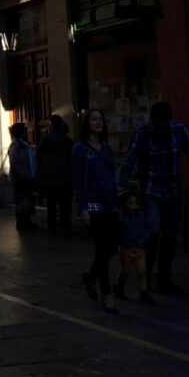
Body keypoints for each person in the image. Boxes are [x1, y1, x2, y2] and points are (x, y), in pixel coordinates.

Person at [118, 101, 189, 294]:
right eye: (157, 123)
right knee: (152, 231)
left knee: (170, 235)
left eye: (163, 123)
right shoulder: (143, 133)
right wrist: (120, 185)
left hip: (172, 190)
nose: (160, 127)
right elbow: (130, 159)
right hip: (151, 190)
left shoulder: (178, 131)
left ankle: (164, 276)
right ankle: (147, 275)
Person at [73, 108, 121, 314]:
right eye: (93, 119)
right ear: (87, 124)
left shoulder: (106, 149)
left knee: (112, 247)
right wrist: (83, 208)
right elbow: (77, 180)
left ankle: (91, 276)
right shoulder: (80, 149)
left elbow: (111, 177)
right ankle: (107, 293)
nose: (98, 122)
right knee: (102, 247)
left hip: (109, 205)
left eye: (100, 119)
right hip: (92, 205)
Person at [114, 191, 155, 304]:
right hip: (127, 248)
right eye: (131, 203)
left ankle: (144, 293)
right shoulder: (123, 219)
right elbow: (119, 232)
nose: (134, 206)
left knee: (142, 271)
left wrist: (144, 238)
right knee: (126, 270)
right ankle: (119, 287)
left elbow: (148, 228)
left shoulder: (140, 217)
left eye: (135, 203)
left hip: (139, 248)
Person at [36, 114, 74, 233]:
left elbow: (39, 155)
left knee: (51, 204)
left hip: (50, 177)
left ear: (51, 124)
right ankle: (65, 226)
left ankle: (52, 226)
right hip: (65, 176)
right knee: (64, 204)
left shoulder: (46, 138)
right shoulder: (68, 141)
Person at [7, 122, 37, 231]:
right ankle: (22, 223)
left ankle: (27, 221)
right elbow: (14, 162)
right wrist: (23, 174)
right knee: (21, 201)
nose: (26, 132)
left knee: (27, 200)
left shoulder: (24, 144)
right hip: (20, 179)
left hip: (27, 177)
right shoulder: (16, 145)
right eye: (24, 130)